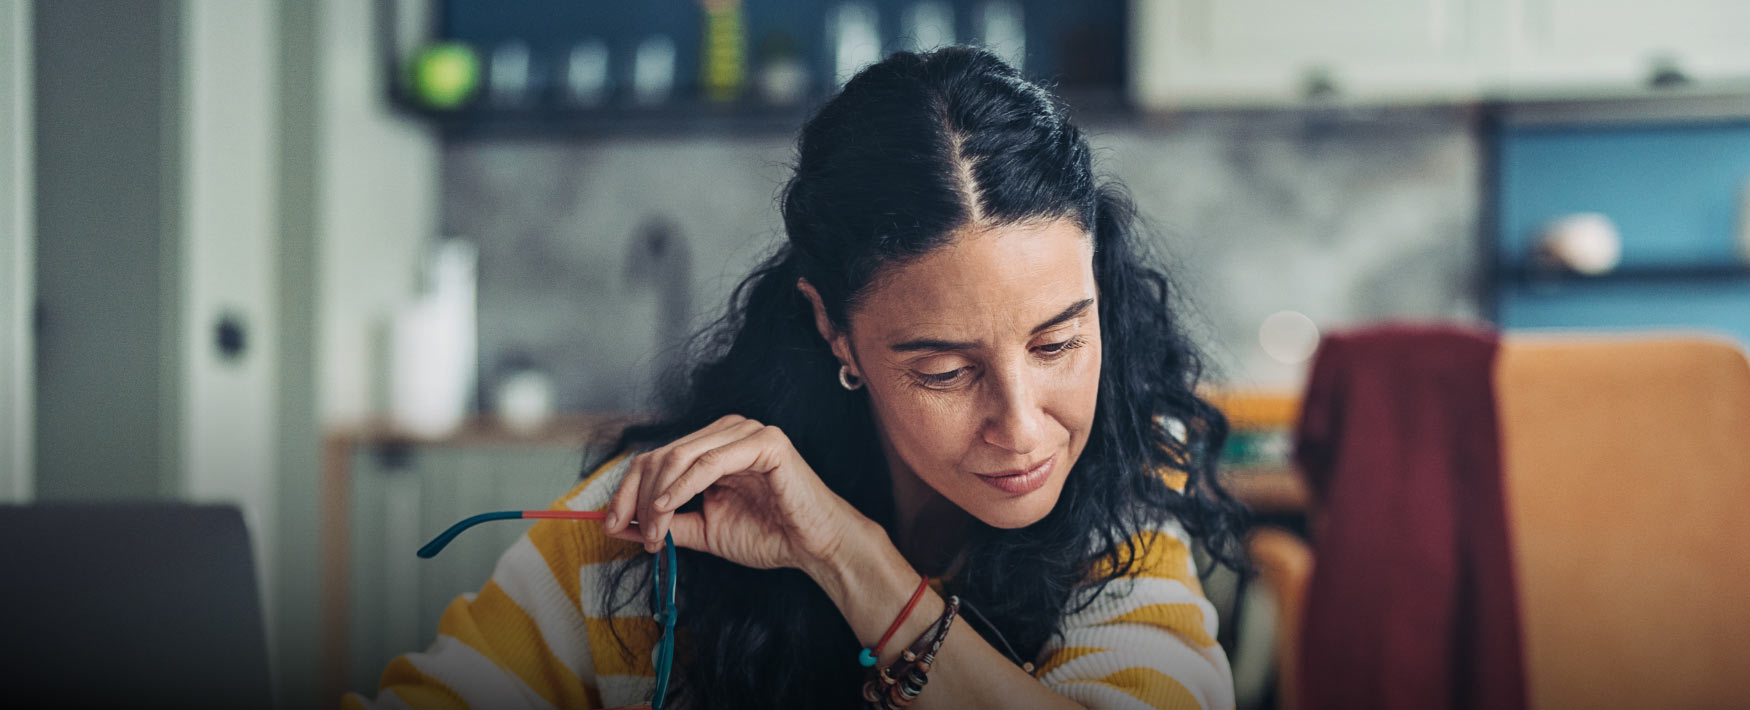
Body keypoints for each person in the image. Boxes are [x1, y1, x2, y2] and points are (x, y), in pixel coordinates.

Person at [347, 46, 1248, 710]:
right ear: (835, 332)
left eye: (1058, 345)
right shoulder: (661, 527)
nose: (1020, 426)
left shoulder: (1122, 524)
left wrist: (848, 557)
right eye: (941, 370)